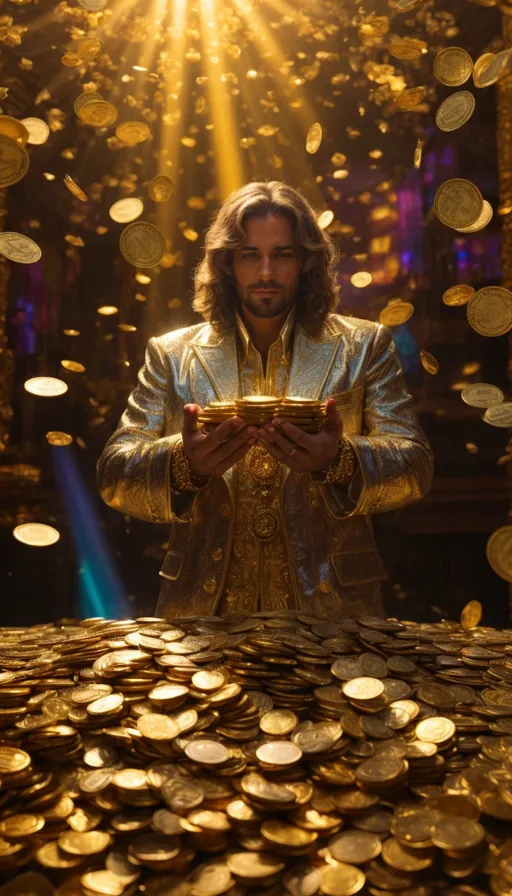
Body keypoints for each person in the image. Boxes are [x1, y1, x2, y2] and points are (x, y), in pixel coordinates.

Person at [97, 181, 433, 620]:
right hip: (202, 612)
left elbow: (415, 464)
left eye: (283, 255)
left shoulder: (363, 345)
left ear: (307, 260)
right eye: (251, 255)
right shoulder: (173, 354)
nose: (267, 273)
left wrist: (342, 460)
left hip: (333, 611)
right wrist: (184, 463)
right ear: (227, 263)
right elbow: (114, 473)